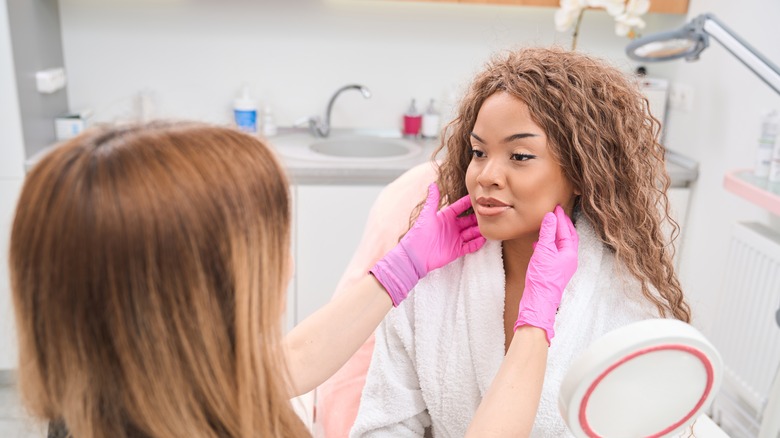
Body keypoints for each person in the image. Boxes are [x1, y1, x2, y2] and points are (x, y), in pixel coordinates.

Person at [9, 121, 576, 438]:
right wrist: (534, 328)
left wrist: (399, 269)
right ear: (198, 294)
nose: (290, 267)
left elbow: (284, 365)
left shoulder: (104, 400)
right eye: (272, 247)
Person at [350, 46, 691, 437]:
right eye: (479, 152)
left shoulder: (627, 300)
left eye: (520, 156)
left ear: (582, 173)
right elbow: (385, 424)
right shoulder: (431, 283)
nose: (486, 175)